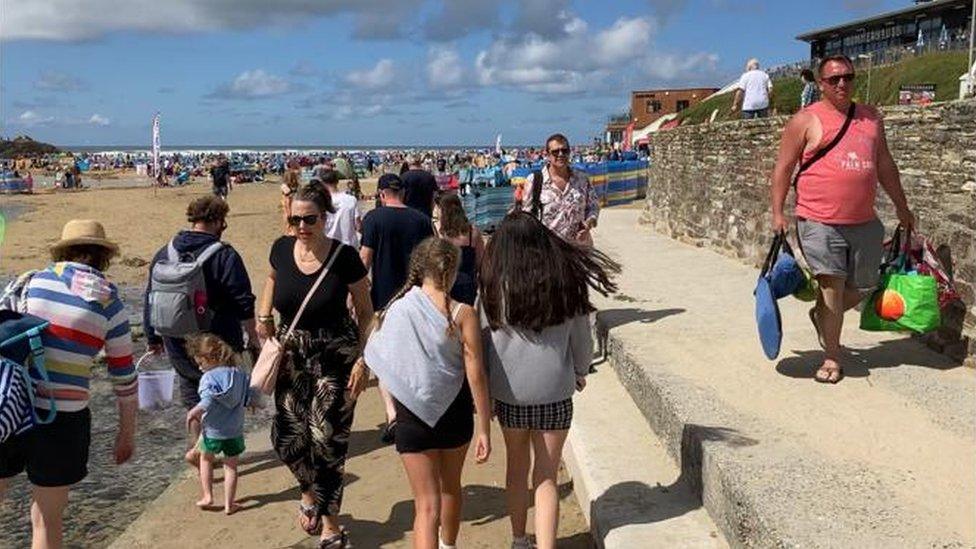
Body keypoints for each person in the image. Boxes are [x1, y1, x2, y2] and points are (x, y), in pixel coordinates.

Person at [770, 54, 915, 384]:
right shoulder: (804, 120)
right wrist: (778, 212)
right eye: (833, 79)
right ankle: (832, 356)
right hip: (819, 219)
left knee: (866, 284)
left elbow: (886, 166)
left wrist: (903, 208)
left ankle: (822, 314)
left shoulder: (871, 118)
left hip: (864, 220)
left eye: (847, 77)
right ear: (821, 83)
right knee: (832, 284)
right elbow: (783, 168)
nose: (841, 84)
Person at [480, 212, 618, 549]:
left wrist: (484, 388)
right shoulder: (565, 280)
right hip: (555, 390)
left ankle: (518, 538)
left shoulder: (493, 285)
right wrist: (582, 370)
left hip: (509, 392)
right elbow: (581, 333)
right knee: (546, 475)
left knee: (516, 469)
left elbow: (483, 340)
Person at [0, 220, 137, 549]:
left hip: (8, 402)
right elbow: (124, 378)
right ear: (104, 257)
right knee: (47, 518)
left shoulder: (28, 282)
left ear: (63, 251)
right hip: (63, 417)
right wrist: (126, 433)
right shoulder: (111, 304)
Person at [255, 185, 373, 548]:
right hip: (292, 355)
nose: (302, 226)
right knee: (288, 439)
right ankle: (308, 490)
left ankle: (331, 526)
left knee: (326, 441)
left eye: (309, 219)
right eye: (295, 219)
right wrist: (264, 316)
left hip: (335, 355)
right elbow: (272, 279)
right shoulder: (280, 248)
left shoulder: (345, 256)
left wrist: (364, 360)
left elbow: (367, 313)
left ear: (325, 218)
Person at [363, 237, 492, 549]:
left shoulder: (397, 309)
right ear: (452, 271)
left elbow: (381, 357)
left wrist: (391, 410)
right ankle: (448, 545)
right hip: (455, 413)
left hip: (411, 414)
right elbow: (476, 375)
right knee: (451, 489)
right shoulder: (463, 314)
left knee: (425, 506)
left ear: (419, 269)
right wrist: (485, 429)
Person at [143, 196, 258, 467]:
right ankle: (213, 449)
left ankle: (198, 448)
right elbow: (243, 300)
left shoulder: (165, 252)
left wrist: (152, 337)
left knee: (192, 393)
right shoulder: (224, 254)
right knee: (223, 394)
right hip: (216, 340)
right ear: (218, 221)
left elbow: (151, 296)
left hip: (175, 336)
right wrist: (252, 337)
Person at [360, 174, 435, 443]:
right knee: (415, 356)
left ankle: (392, 415)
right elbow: (432, 260)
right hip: (418, 297)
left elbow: (365, 259)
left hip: (384, 299)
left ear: (381, 194)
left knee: (386, 360)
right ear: (402, 193)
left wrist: (355, 293)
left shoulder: (373, 219)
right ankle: (415, 410)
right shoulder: (422, 220)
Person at [185, 334, 253, 515]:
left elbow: (206, 401)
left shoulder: (208, 378)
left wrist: (195, 411)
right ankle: (230, 504)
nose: (199, 367)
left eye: (201, 363)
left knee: (206, 459)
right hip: (234, 430)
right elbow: (248, 397)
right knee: (231, 467)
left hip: (213, 431)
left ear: (211, 358)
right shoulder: (238, 373)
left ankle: (208, 495)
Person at [521, 133, 599, 246]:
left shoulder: (582, 179)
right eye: (555, 151)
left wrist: (589, 223)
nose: (560, 154)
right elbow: (526, 216)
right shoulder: (534, 181)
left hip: (579, 250)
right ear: (547, 155)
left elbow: (593, 207)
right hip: (547, 252)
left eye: (564, 150)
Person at [435, 194, 484, 306]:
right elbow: (480, 261)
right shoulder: (473, 232)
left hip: (448, 283)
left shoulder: (441, 235)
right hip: (468, 284)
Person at [318, 169, 362, 249]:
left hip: (328, 247)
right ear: (337, 182)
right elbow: (358, 226)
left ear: (323, 183)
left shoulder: (321, 201)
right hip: (350, 246)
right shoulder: (351, 199)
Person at [281, 159, 302, 233]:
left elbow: (287, 200)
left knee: (289, 224)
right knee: (293, 224)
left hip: (290, 205)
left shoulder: (285, 186)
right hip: (294, 205)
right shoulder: (296, 186)